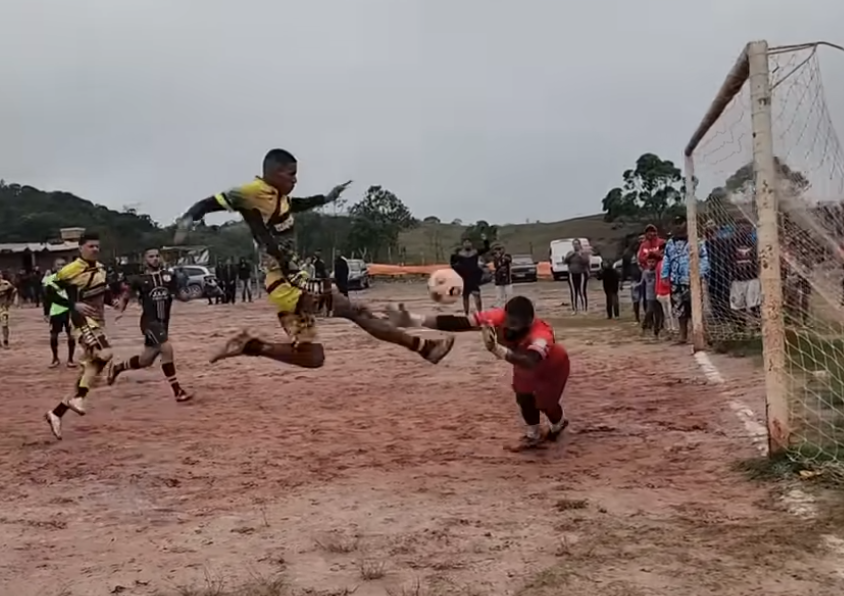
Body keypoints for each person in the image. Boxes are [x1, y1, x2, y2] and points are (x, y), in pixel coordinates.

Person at [173, 148, 455, 369]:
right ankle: (425, 348)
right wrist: (187, 220)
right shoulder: (254, 192)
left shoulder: (279, 196)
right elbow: (210, 202)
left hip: (288, 283)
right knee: (355, 311)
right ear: (272, 172)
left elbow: (301, 203)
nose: (295, 180)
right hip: (286, 283)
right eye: (290, 174)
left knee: (311, 356)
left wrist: (328, 197)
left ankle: (252, 346)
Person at [384, 296, 570, 451]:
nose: (512, 328)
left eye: (518, 326)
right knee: (523, 397)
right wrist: (414, 319)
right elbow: (458, 322)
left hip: (552, 366)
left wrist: (498, 350)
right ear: (505, 315)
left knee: (545, 403)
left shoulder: (541, 334)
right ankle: (533, 434)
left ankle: (558, 423)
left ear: (529, 323)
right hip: (520, 361)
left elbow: (531, 361)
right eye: (510, 322)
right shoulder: (496, 317)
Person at [44, 232, 117, 440]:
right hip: (81, 321)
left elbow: (103, 294)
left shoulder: (101, 269)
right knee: (105, 354)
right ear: (81, 248)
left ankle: (58, 411)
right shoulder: (71, 270)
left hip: (98, 322)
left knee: (94, 367)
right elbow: (48, 291)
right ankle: (78, 397)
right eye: (91, 246)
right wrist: (72, 304)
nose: (95, 249)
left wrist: (115, 303)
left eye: (97, 246)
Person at [108, 248, 193, 401]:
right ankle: (178, 391)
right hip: (149, 322)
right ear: (145, 260)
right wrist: (120, 310)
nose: (155, 259)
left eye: (157, 256)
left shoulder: (168, 276)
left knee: (145, 360)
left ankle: (118, 367)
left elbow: (180, 295)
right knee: (166, 348)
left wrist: (191, 295)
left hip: (163, 322)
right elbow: (126, 295)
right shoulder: (139, 279)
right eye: (151, 256)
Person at [662, 216, 709, 344]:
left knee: (695, 308)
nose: (678, 226)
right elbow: (666, 259)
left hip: (691, 280)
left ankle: (700, 334)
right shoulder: (670, 243)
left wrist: (700, 273)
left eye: (681, 223)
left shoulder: (697, 241)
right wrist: (664, 275)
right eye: (676, 223)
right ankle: (683, 336)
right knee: (678, 309)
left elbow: (704, 258)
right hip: (675, 281)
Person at [43, 258, 77, 368]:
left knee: (71, 336)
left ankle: (70, 359)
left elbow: (74, 296)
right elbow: (47, 298)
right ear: (54, 267)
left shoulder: (71, 279)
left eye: (63, 264)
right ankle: (55, 358)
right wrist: (46, 313)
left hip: (69, 311)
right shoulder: (50, 280)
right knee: (54, 336)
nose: (60, 266)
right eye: (58, 265)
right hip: (55, 311)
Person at [451, 236, 490, 315]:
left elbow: (486, 249)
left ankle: (480, 313)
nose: (467, 244)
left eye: (469, 242)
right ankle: (466, 314)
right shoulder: (459, 254)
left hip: (474, 277)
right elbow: (452, 263)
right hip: (464, 278)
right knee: (465, 297)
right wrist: (457, 271)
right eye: (465, 243)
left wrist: (485, 240)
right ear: (463, 244)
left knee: (477, 295)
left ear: (471, 244)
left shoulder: (475, 252)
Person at [640, 254, 664, 339]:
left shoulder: (659, 271)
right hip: (649, 296)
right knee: (649, 312)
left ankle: (657, 331)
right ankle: (645, 326)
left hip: (658, 294)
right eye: (649, 262)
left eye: (653, 262)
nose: (651, 264)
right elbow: (642, 284)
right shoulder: (645, 272)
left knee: (658, 314)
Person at [564, 240, 589, 313]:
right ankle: (575, 309)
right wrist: (571, 255)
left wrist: (580, 255)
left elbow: (586, 262)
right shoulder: (570, 253)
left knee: (581, 291)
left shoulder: (583, 253)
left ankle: (584, 309)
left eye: (577, 244)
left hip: (581, 273)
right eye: (574, 244)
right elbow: (565, 261)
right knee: (573, 292)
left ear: (580, 245)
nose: (575, 246)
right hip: (572, 273)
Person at [656, 247, 675, 333]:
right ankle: (669, 327)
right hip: (661, 291)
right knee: (665, 311)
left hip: (668, 290)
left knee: (671, 311)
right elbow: (657, 278)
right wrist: (656, 290)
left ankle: (674, 326)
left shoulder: (671, 263)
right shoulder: (659, 264)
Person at [0, 271, 17, 348]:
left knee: (5, 324)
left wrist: (10, 301)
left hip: (3, 307)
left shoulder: (6, 284)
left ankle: (5, 341)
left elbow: (14, 290)